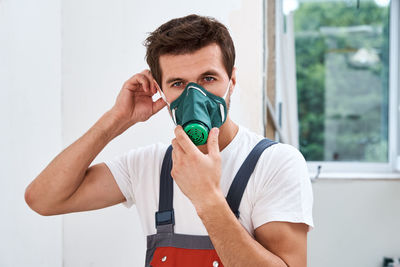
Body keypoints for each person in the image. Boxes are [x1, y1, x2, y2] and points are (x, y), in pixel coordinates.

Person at [25, 14, 314, 267]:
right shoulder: (147, 165)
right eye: (178, 84)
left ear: (232, 81)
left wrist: (207, 198)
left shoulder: (275, 163)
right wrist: (116, 119)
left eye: (208, 78)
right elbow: (43, 199)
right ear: (161, 92)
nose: (194, 95)